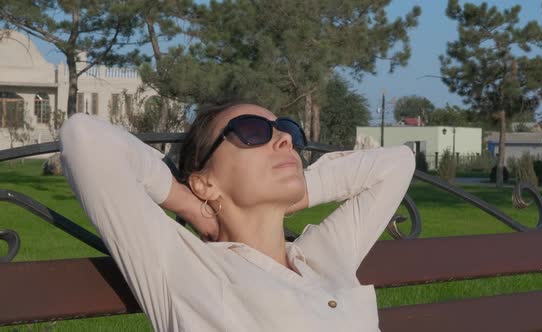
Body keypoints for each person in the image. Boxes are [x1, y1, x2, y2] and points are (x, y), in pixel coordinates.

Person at [59, 102, 415, 332]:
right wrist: (189, 202)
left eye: (287, 131)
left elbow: (397, 163)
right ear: (206, 181)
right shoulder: (185, 268)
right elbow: (85, 139)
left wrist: (294, 190)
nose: (284, 141)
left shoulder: (324, 255)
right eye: (252, 131)